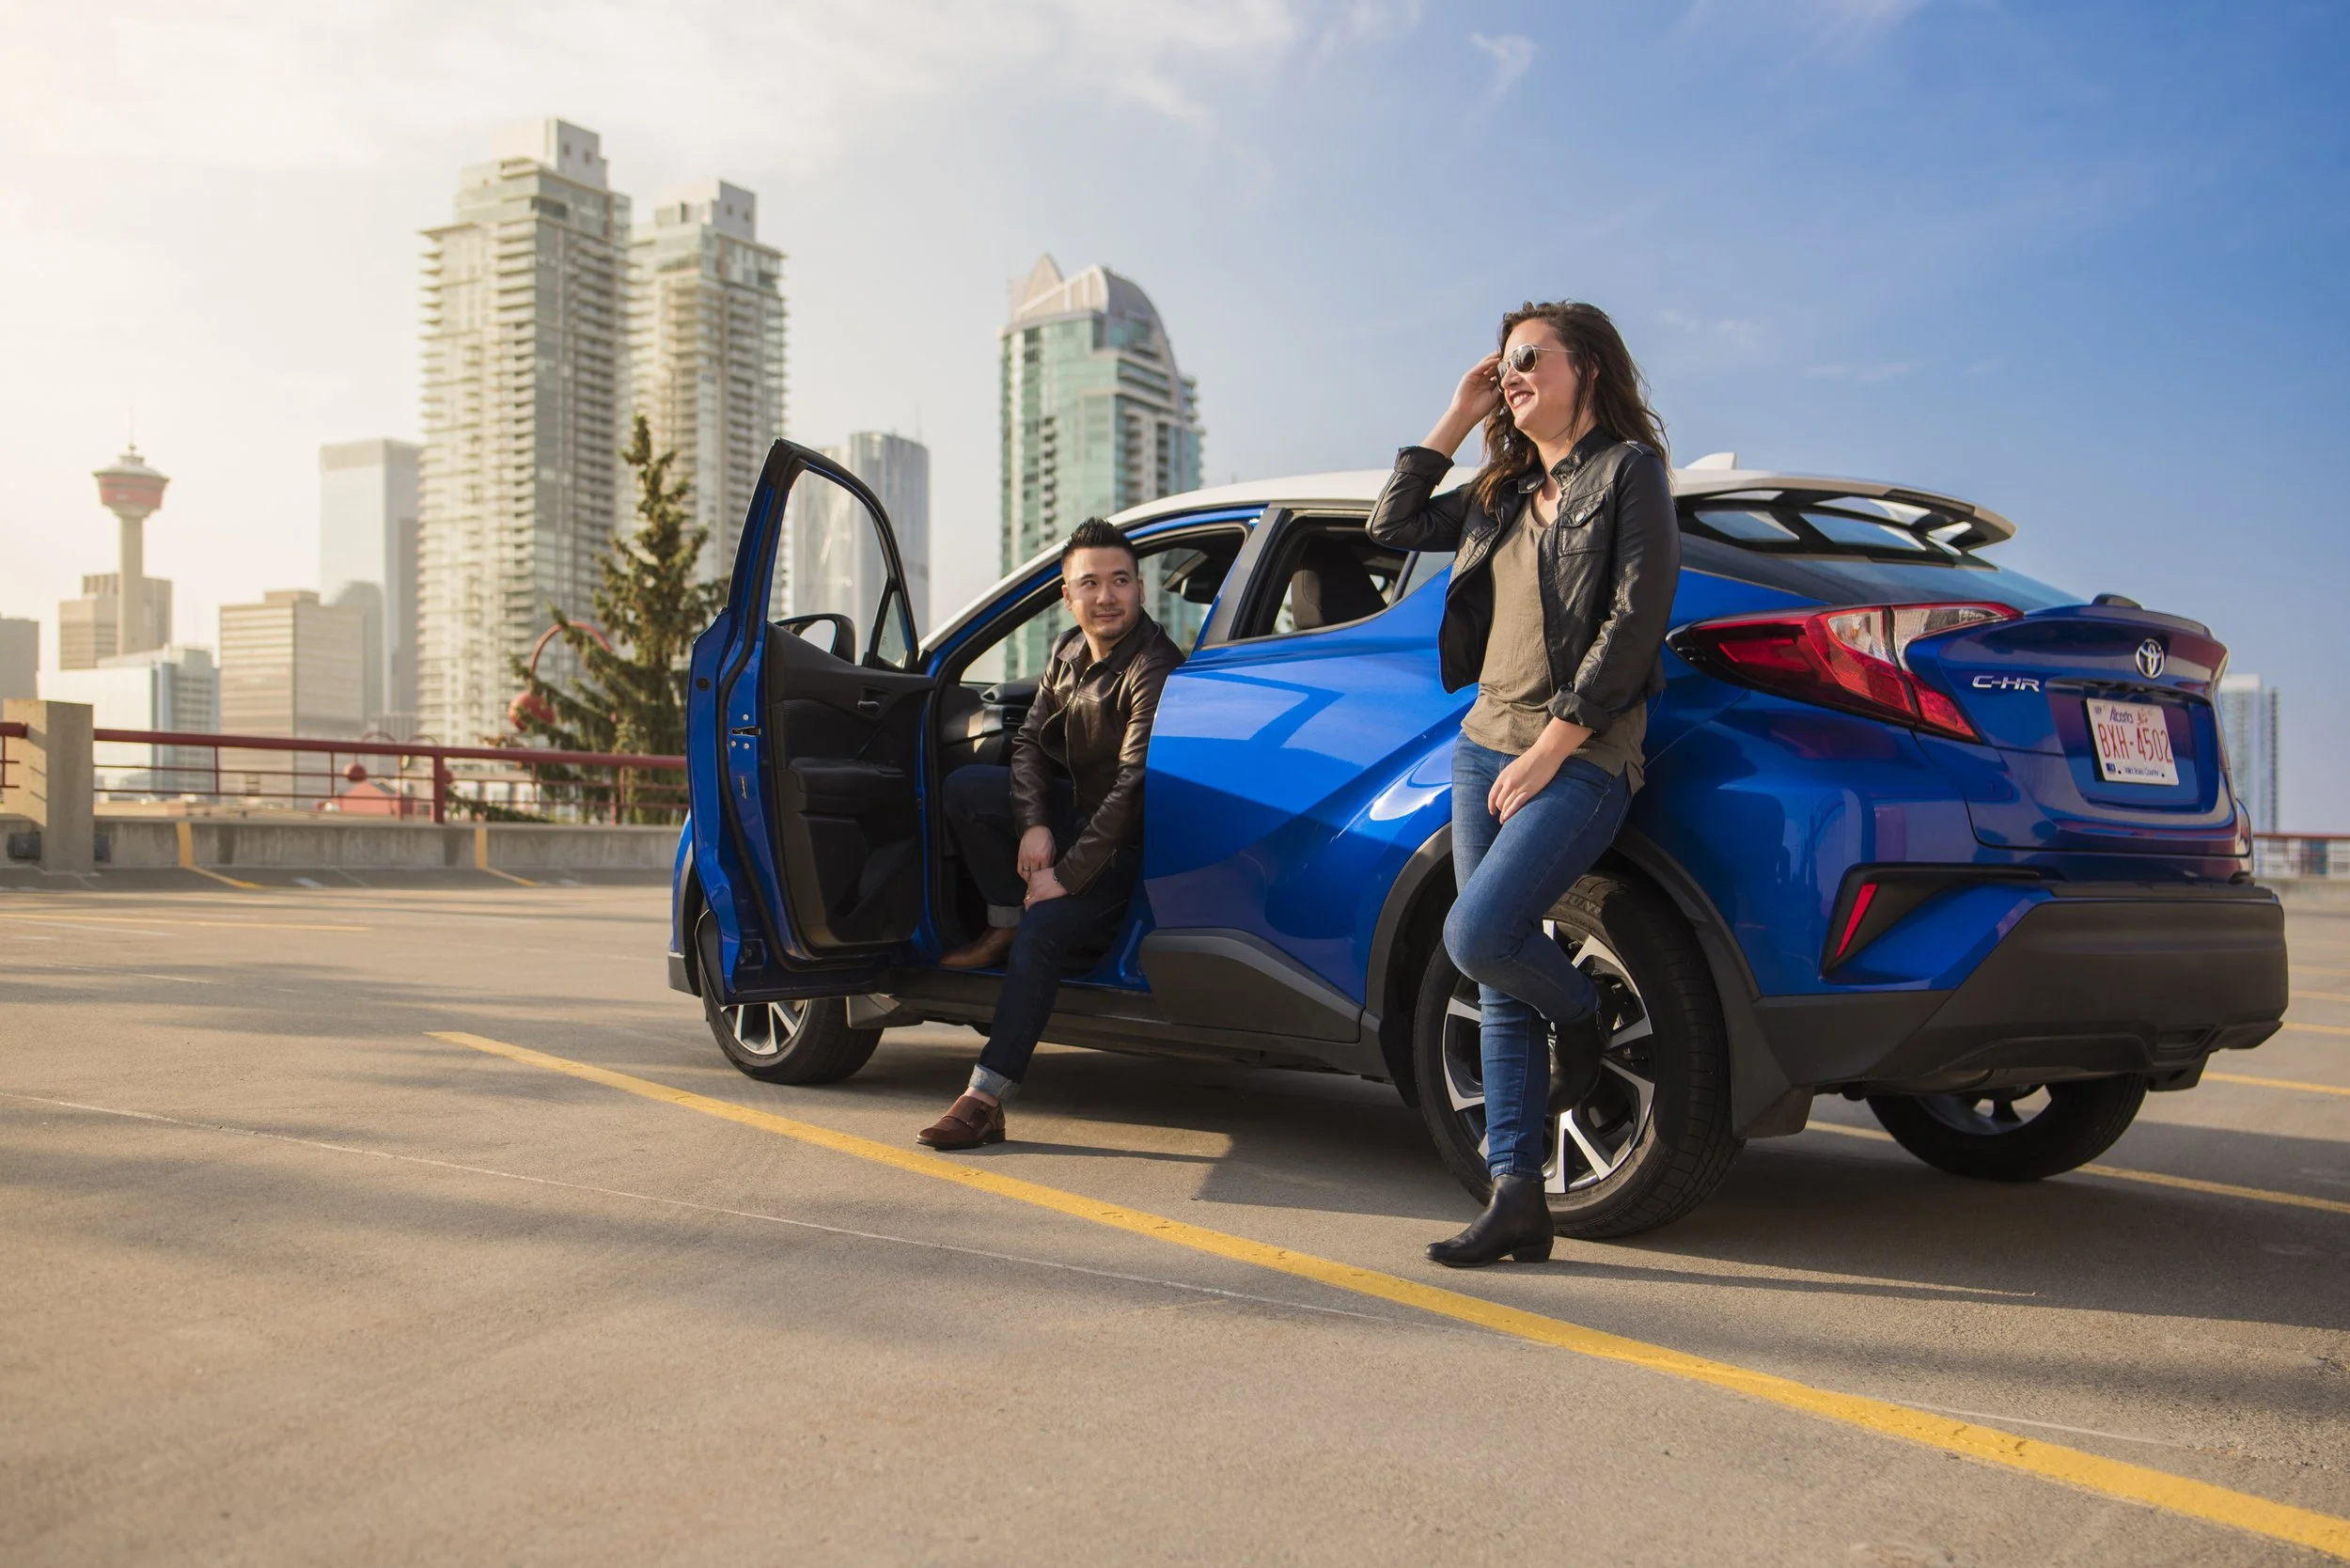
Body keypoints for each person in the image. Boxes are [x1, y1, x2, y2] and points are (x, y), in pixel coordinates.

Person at [1368, 302, 1678, 1267]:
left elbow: (1636, 617)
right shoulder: (1501, 489)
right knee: (1496, 980)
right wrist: (1456, 417)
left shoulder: (1631, 473)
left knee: (1477, 934)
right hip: (1481, 745)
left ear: (1584, 365)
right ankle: (1516, 1196)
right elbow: (1394, 524)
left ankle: (1581, 1017)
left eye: (1526, 359)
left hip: (1578, 753)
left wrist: (1556, 743)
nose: (1511, 374)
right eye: (1501, 364)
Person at [916, 518, 1184, 1151]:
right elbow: (1031, 745)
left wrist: (1064, 876)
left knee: (1045, 930)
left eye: (1119, 581)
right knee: (966, 790)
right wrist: (1036, 827)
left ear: (1140, 589)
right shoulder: (1068, 651)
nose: (1106, 596)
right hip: (1074, 818)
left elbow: (1132, 786)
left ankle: (984, 1097)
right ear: (1068, 596)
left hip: (1130, 842)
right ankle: (1003, 917)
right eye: (1089, 583)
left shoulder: (1155, 666)